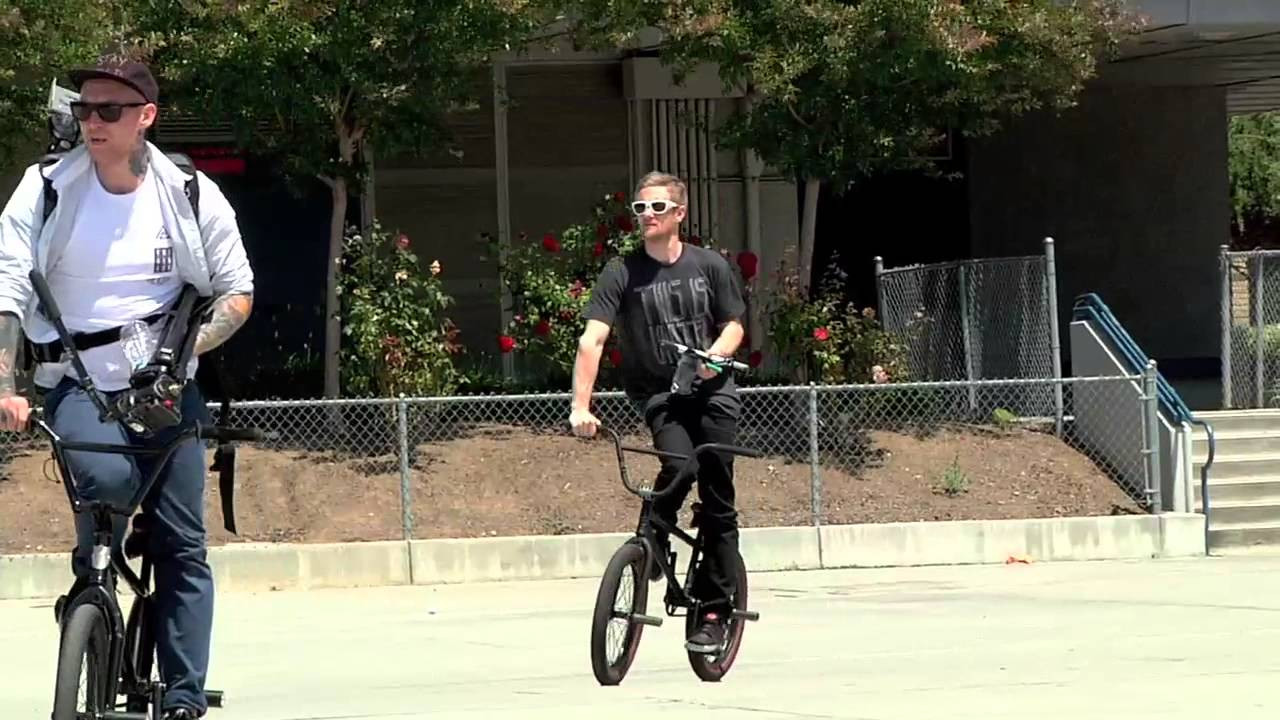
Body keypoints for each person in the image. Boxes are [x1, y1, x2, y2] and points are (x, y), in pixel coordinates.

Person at [0, 54, 254, 720]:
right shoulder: (46, 187)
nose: (93, 121)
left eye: (109, 110)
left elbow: (237, 291)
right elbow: (7, 286)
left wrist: (180, 357)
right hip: (79, 385)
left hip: (168, 390)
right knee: (105, 490)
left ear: (145, 117)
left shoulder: (188, 191)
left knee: (182, 544)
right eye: (84, 108)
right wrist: (6, 385)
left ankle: (183, 697)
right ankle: (91, 602)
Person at [569, 170, 747, 654]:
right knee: (678, 464)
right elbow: (592, 339)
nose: (647, 215)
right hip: (660, 393)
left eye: (657, 207)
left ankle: (714, 612)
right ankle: (653, 535)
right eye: (640, 208)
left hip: (714, 393)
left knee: (717, 496)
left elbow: (733, 326)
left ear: (679, 213)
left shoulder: (709, 265)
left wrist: (714, 357)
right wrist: (580, 406)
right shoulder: (621, 272)